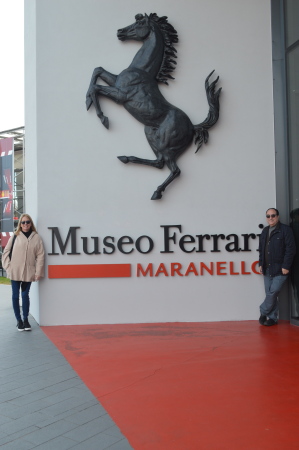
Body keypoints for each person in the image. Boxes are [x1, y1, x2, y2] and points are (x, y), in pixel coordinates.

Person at [2, 214, 45, 331]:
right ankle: (19, 321)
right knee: (15, 296)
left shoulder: (36, 237)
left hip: (28, 271)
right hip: (15, 271)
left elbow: (40, 255)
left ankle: (26, 320)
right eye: (23, 222)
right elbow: (6, 252)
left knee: (25, 295)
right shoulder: (15, 236)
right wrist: (8, 267)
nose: (25, 224)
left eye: (27, 222)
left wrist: (38, 272)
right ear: (20, 224)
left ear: (31, 223)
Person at [258, 208, 296, 326]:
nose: (271, 218)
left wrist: (286, 265)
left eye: (273, 215)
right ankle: (273, 318)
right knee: (269, 293)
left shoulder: (285, 230)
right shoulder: (265, 231)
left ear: (278, 216)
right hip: (267, 268)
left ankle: (263, 311)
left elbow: (291, 249)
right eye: (268, 216)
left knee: (273, 292)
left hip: (281, 269)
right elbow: (261, 249)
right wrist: (261, 263)